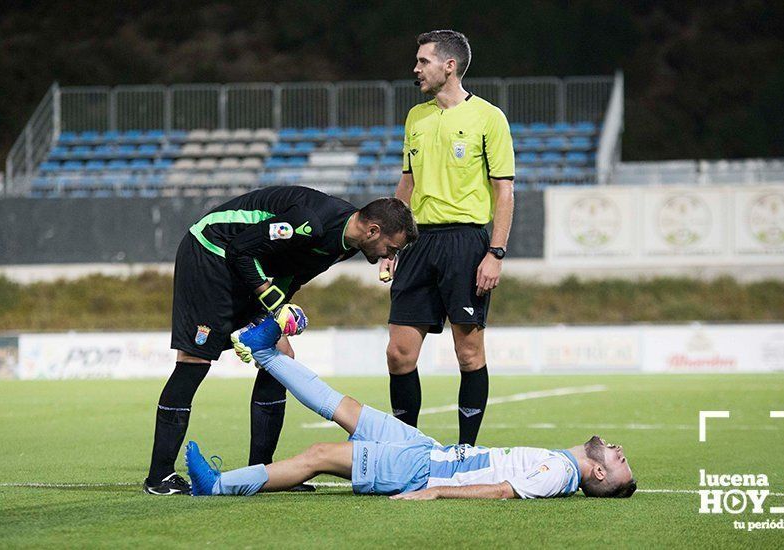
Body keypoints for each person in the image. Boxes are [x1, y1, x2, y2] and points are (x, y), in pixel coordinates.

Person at [143, 186, 418, 495]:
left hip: (243, 266)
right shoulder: (311, 223)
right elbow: (240, 249)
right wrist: (273, 301)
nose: (389, 257)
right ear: (372, 230)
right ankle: (160, 476)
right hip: (211, 252)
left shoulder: (345, 245)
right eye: (391, 248)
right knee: (194, 362)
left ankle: (262, 475)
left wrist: (279, 314)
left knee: (279, 357)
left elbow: (291, 274)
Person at [185, 314, 637, 500]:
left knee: (319, 455)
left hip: (420, 470)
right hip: (427, 449)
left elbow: (502, 490)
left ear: (598, 474)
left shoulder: (559, 474)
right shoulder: (559, 464)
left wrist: (436, 491)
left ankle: (218, 486)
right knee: (343, 406)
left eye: (618, 461)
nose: (617, 450)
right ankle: (263, 349)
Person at [380, 30, 516, 446]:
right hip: (418, 243)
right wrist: (390, 243)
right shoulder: (415, 117)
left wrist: (495, 253)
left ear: (449, 66)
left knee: (469, 353)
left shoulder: (488, 117)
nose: (415, 69)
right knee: (398, 354)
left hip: (465, 243)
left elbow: (504, 191)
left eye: (423, 61)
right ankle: (407, 448)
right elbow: (406, 184)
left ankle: (465, 451)